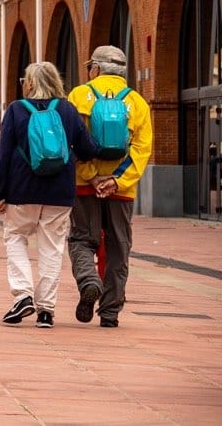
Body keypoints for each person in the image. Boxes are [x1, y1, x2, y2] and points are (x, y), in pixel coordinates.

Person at [0, 61, 98, 328]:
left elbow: (4, 155)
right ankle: (46, 311)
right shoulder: (67, 110)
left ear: (30, 83)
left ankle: (23, 295)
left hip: (21, 190)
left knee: (15, 237)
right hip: (60, 192)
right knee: (52, 248)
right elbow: (87, 149)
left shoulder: (16, 110)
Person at [66, 45, 153, 328]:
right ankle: (111, 311)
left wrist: (91, 176)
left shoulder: (79, 95)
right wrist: (117, 180)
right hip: (121, 191)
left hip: (84, 186)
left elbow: (71, 143)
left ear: (97, 68)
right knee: (118, 247)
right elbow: (142, 149)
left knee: (81, 239)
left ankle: (89, 281)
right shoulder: (137, 102)